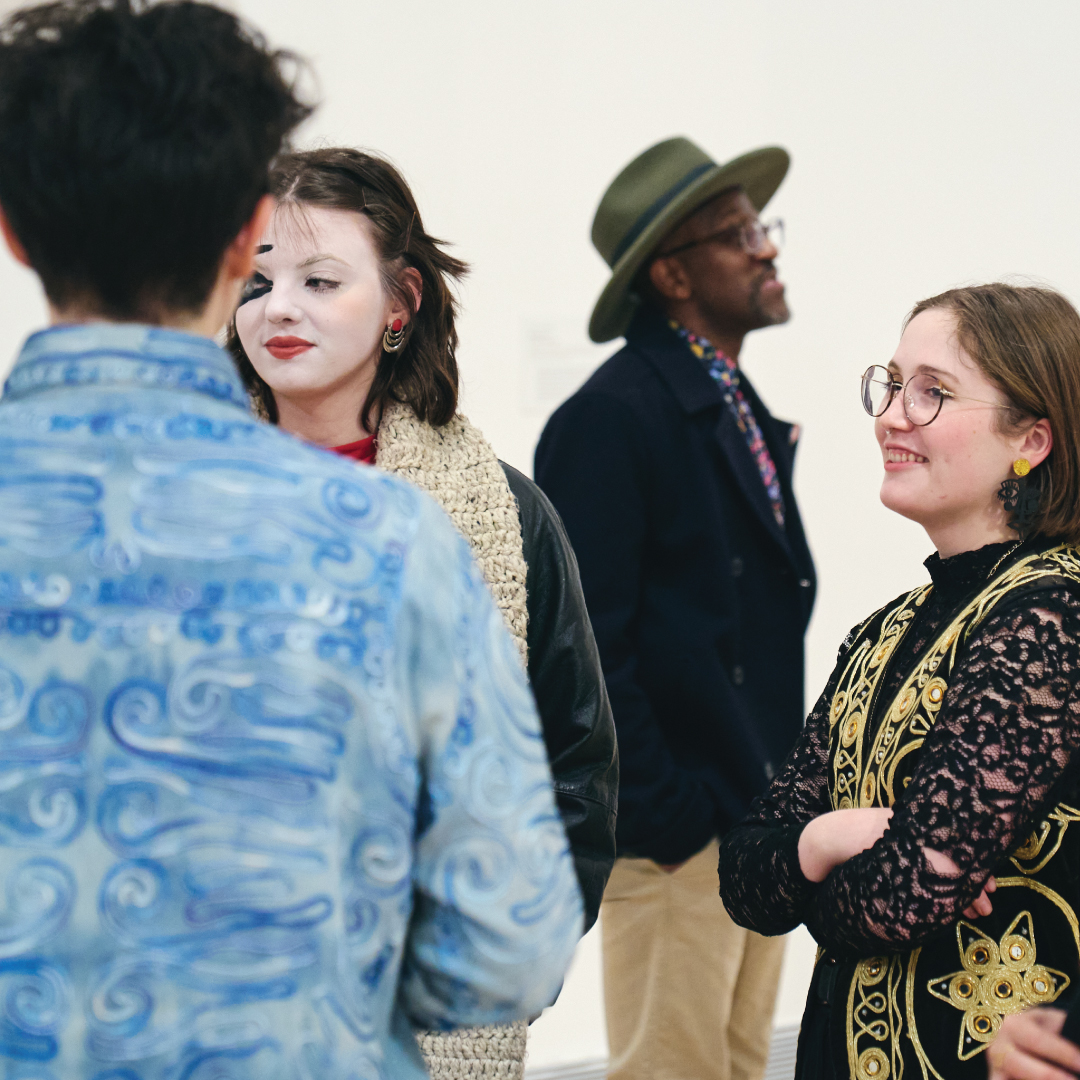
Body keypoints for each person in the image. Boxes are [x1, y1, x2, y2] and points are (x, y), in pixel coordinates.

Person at [0, 3, 584, 1079]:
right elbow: (507, 945)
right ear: (241, 239)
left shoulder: (473, 514)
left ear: (15, 230)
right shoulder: (389, 546)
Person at [228, 146, 618, 1080]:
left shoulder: (502, 513)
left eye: (321, 280)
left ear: (399, 305)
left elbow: (575, 767)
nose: (281, 307)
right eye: (258, 279)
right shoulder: (176, 499)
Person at [718, 283, 1080, 1080]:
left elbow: (894, 903)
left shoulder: (1051, 618)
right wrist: (821, 839)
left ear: (1033, 439)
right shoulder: (883, 630)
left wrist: (816, 871)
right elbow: (744, 873)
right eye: (892, 383)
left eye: (933, 393)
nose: (891, 415)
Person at [534, 136, 816, 1080]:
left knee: (736, 1070)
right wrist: (668, 817)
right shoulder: (611, 418)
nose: (766, 248)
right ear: (671, 273)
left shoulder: (726, 398)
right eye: (740, 233)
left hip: (751, 813)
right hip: (680, 840)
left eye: (760, 226)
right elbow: (583, 654)